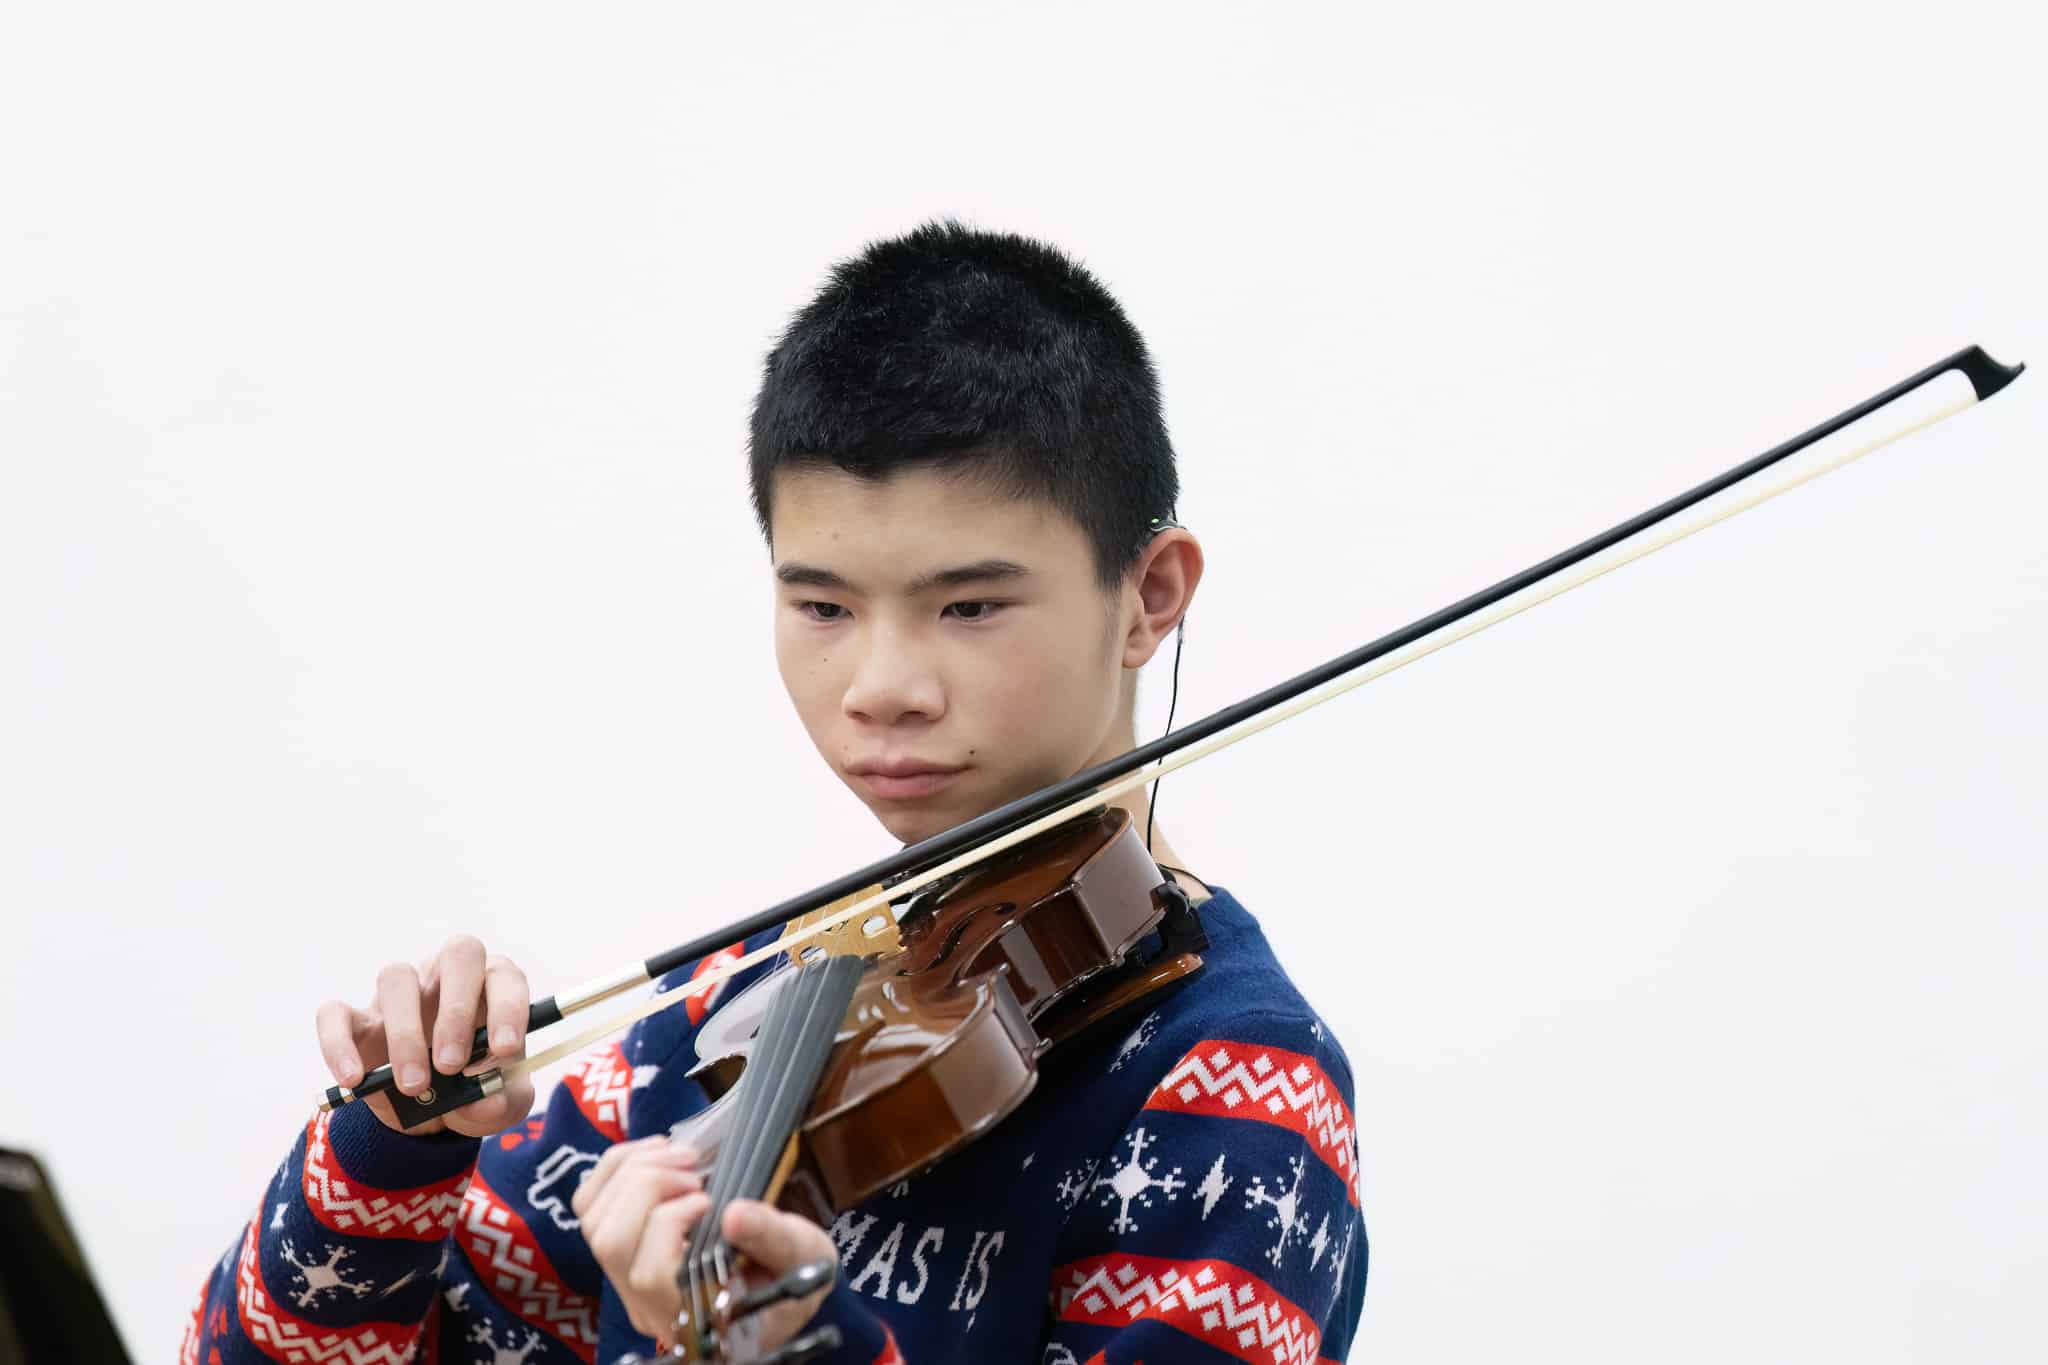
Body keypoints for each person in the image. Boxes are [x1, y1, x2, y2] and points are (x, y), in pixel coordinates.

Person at [183, 222, 1369, 1364]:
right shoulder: (744, 1019)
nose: (881, 687)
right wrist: (393, 1152)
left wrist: (776, 1344)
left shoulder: (1236, 1085)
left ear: (1149, 596)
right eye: (821, 606)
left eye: (968, 605)